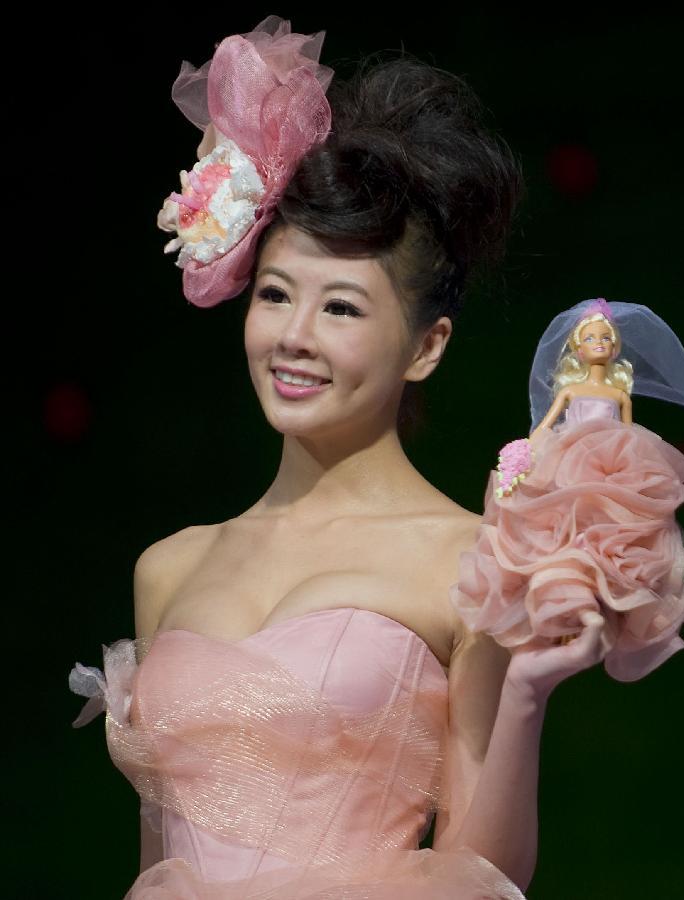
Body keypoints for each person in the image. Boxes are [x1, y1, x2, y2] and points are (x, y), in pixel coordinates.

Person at [68, 16, 609, 899]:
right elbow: (159, 865)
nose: (295, 338)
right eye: (277, 294)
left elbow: (485, 872)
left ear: (426, 346)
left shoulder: (470, 555)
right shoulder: (167, 567)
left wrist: (524, 696)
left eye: (344, 309)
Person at [450, 298, 684, 682]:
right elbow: (546, 424)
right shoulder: (571, 390)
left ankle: (596, 600)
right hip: (569, 459)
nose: (599, 343)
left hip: (610, 465)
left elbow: (627, 435)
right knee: (559, 524)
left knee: (608, 528)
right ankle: (560, 602)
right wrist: (529, 450)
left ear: (614, 347)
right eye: (591, 337)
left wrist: (636, 470)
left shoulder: (619, 396)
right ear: (577, 347)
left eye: (605, 337)